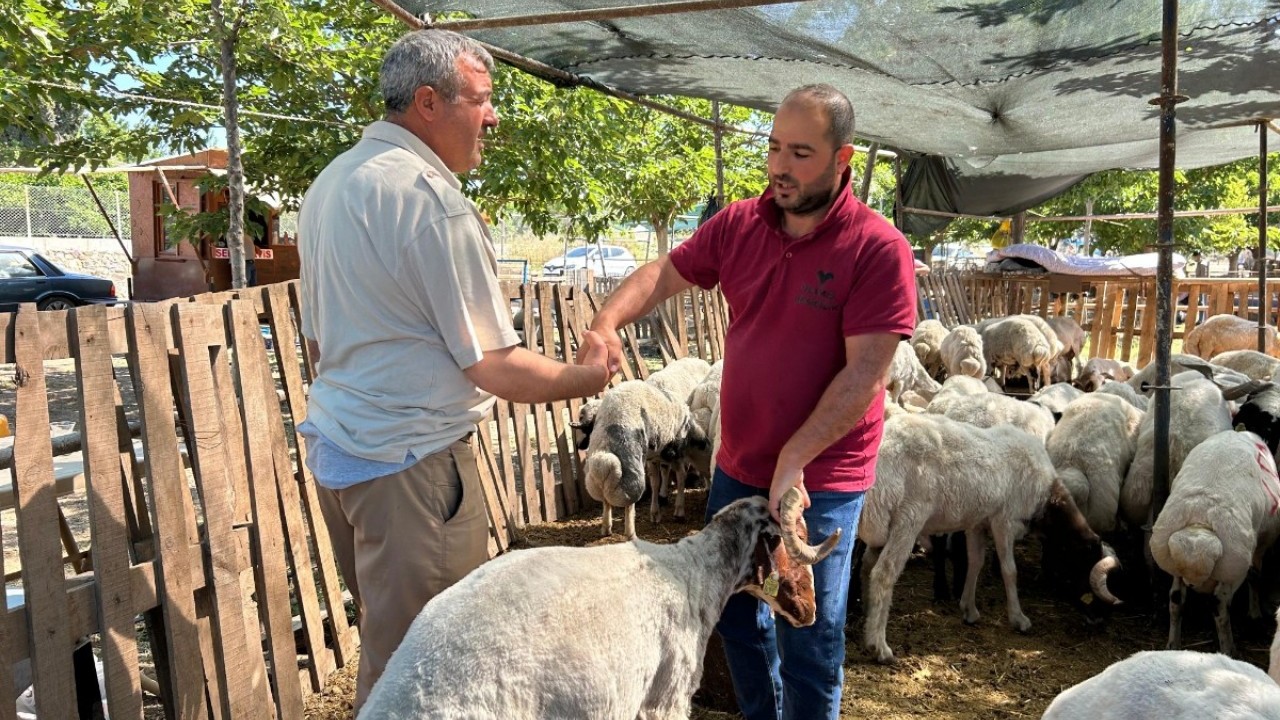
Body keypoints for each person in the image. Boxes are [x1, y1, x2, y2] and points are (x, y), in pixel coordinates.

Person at [296, 29, 612, 711]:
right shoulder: (429, 202)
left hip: (347, 453)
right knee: (434, 666)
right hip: (413, 468)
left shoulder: (331, 185)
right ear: (430, 102)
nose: (492, 117)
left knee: (388, 651)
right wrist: (585, 379)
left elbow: (319, 344)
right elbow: (496, 366)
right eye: (483, 99)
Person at [587, 84, 917, 719]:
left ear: (842, 157)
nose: (778, 168)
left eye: (799, 153)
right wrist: (607, 323)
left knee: (809, 638)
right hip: (738, 468)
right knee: (736, 619)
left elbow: (864, 377)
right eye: (773, 149)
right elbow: (664, 273)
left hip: (818, 482)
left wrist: (794, 460)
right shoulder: (741, 224)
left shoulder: (877, 248)